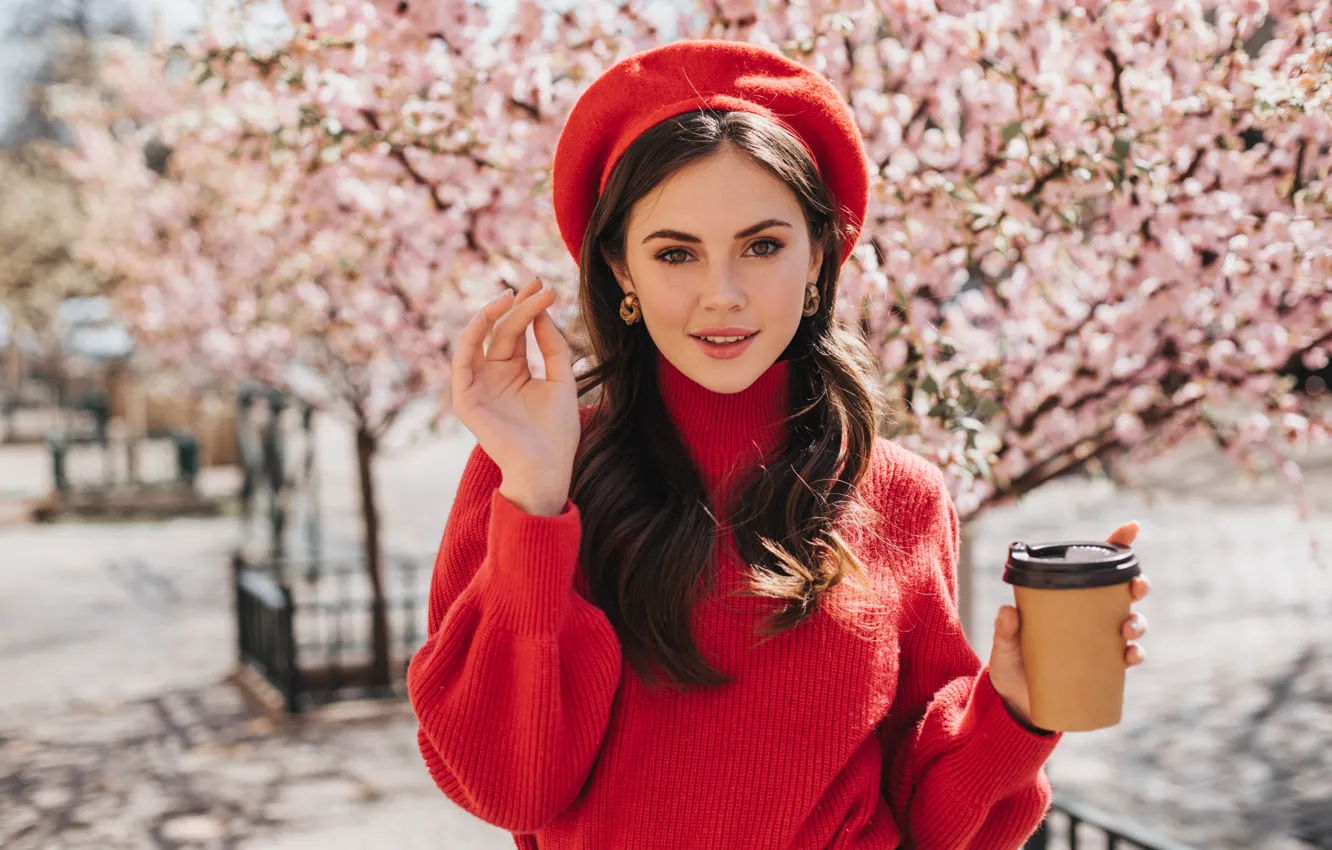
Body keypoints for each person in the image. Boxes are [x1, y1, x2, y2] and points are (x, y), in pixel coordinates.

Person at [407, 39, 1151, 850]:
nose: (721, 296)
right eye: (675, 253)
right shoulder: (528, 469)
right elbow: (507, 786)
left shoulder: (901, 495)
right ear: (621, 269)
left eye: (762, 245)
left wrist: (1011, 708)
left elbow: (932, 826)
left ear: (819, 255)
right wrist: (539, 500)